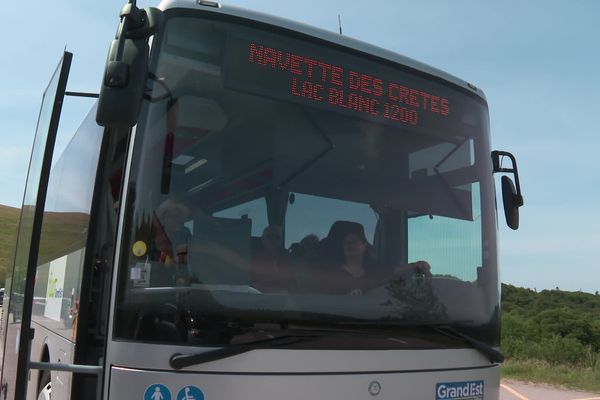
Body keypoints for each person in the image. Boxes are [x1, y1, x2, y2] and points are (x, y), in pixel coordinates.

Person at [250, 225, 296, 293]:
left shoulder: (288, 260)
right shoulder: (252, 259)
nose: (273, 240)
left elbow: (294, 287)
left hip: (285, 301)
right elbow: (249, 286)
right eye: (270, 236)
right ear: (262, 239)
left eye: (276, 237)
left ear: (280, 241)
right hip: (256, 300)